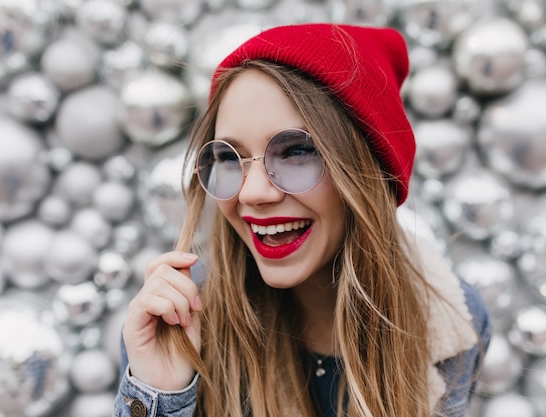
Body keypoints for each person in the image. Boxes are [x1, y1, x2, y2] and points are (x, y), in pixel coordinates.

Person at [114, 23, 491, 417]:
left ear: (368, 172)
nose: (252, 193)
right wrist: (160, 395)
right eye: (229, 157)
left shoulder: (449, 319)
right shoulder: (178, 324)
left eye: (296, 151)